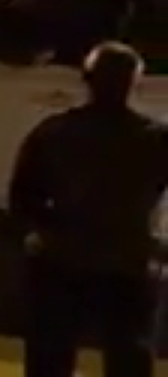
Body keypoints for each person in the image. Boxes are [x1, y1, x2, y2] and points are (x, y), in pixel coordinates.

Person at [11, 40, 168, 376]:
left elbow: (23, 197)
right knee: (129, 353)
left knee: (49, 354)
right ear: (134, 84)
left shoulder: (54, 133)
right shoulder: (156, 139)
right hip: (129, 261)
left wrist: (44, 230)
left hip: (62, 257)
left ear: (86, 80)